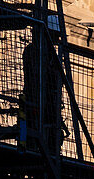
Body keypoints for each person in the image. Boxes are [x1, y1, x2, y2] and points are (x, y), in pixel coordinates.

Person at [21, 14, 67, 156]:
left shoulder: (50, 54)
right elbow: (36, 75)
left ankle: (47, 150)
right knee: (29, 130)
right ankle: (28, 148)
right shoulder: (34, 51)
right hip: (34, 100)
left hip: (47, 102)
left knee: (49, 135)